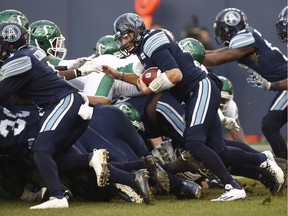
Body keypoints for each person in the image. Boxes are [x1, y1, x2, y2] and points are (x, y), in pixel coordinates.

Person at [103, 13, 285, 201]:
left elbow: (175, 75)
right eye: (121, 38)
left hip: (200, 87)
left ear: (137, 30)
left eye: (126, 36)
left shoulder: (152, 41)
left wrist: (152, 87)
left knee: (193, 143)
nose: (124, 42)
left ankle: (233, 186)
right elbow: (143, 80)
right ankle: (263, 161)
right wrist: (119, 76)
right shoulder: (143, 50)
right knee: (218, 148)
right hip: (194, 93)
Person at [0, 22, 110, 209]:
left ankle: (58, 198)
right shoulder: (31, 53)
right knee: (49, 155)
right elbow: (49, 72)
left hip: (64, 102)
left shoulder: (18, 60)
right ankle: (91, 158)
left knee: (40, 149)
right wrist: (78, 70)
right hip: (71, 104)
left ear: (9, 43)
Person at [203, 8, 288, 160]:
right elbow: (215, 53)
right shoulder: (246, 37)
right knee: (270, 125)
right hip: (283, 84)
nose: (221, 35)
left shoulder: (245, 39)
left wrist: (186, 54)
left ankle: (285, 166)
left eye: (222, 30)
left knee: (269, 125)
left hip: (286, 83)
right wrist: (190, 50)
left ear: (230, 27)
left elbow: (216, 59)